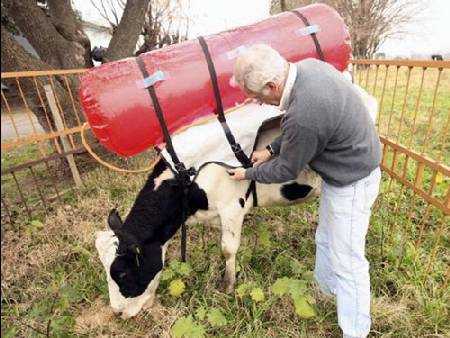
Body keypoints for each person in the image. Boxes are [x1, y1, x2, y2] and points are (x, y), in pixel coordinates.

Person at [227, 44, 382, 338]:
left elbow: (287, 169)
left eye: (258, 97)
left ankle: (355, 331)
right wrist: (272, 148)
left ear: (272, 85)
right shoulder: (307, 68)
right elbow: (300, 125)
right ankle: (325, 289)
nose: (259, 103)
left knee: (349, 260)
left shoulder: (306, 112)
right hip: (349, 166)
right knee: (325, 236)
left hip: (353, 179)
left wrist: (247, 173)